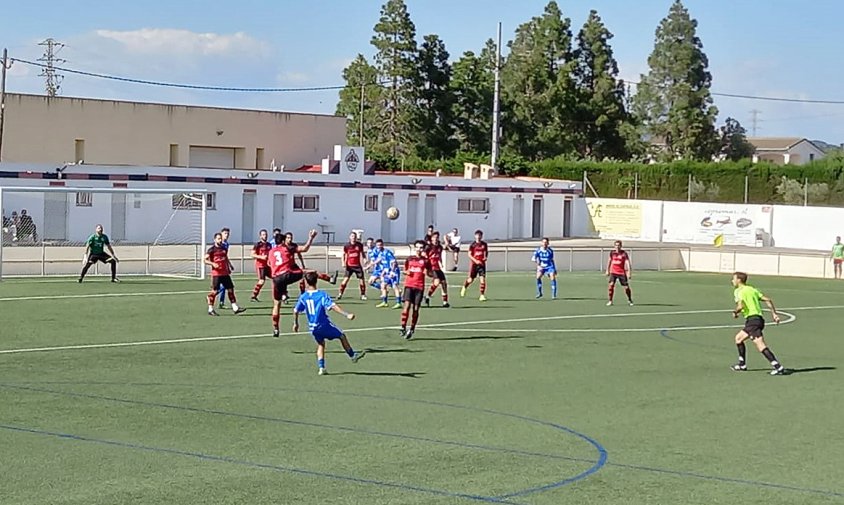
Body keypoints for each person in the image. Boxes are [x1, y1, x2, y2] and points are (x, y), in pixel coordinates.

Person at [293, 271, 366, 376]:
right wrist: (346, 314)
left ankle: (321, 368)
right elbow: (333, 306)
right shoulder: (321, 295)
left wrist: (296, 324)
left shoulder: (303, 296)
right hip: (323, 325)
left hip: (312, 327)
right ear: (316, 281)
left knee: (321, 344)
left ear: (306, 282)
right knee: (341, 335)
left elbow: (296, 311)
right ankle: (352, 356)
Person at [730, 272, 786, 376]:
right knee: (738, 339)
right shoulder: (752, 289)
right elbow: (768, 299)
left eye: (733, 279)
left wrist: (735, 312)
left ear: (739, 280)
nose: (732, 281)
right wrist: (774, 314)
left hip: (753, 321)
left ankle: (778, 367)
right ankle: (742, 364)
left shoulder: (739, 291)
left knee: (760, 345)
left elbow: (741, 305)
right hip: (756, 320)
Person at [268, 230, 317, 337]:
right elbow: (304, 249)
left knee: (276, 305)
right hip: (286, 274)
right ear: (282, 241)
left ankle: (276, 328)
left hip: (276, 278)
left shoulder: (271, 251)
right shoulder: (286, 248)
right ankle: (329, 278)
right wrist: (311, 238)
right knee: (308, 272)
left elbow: (269, 263)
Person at [204, 232, 245, 316]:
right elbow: (204, 260)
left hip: (225, 273)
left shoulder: (224, 248)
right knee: (215, 291)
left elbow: (225, 258)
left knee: (230, 289)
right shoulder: (211, 250)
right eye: (218, 238)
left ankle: (235, 308)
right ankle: (210, 309)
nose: (220, 240)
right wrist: (213, 264)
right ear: (215, 239)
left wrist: (229, 266)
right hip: (216, 274)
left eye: (220, 238)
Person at [400, 240, 433, 339]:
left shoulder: (426, 261)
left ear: (423, 249)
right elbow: (404, 271)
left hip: (419, 287)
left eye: (421, 248)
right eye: (417, 247)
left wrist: (427, 272)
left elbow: (431, 274)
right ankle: (403, 326)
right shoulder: (410, 259)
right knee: (406, 307)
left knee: (416, 309)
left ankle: (412, 328)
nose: (419, 249)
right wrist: (407, 272)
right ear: (415, 248)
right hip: (409, 285)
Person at [460, 229, 488, 301]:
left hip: (481, 265)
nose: (478, 237)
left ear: (481, 236)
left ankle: (482, 295)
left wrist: (485, 258)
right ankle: (464, 287)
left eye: (480, 235)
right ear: (475, 236)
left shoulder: (484, 244)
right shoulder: (472, 245)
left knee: (482, 280)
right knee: (470, 280)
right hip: (474, 265)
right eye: (477, 235)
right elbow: (469, 255)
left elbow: (485, 253)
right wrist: (476, 261)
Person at [338, 231, 367, 300]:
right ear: (350, 237)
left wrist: (364, 258)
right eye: (352, 236)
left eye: (354, 237)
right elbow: (344, 254)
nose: (353, 238)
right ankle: (340, 294)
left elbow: (362, 253)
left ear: (356, 238)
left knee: (362, 281)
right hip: (349, 266)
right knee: (345, 281)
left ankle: (363, 295)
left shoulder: (359, 245)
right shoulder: (347, 246)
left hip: (357, 266)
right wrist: (343, 262)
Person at [425, 230, 450, 307]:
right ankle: (428, 296)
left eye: (437, 237)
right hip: (431, 267)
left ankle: (445, 302)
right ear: (431, 238)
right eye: (434, 237)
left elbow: (439, 255)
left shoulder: (439, 247)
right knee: (437, 282)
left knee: (444, 283)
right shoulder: (428, 247)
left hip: (437, 268)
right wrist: (426, 267)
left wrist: (441, 262)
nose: (436, 239)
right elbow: (424, 256)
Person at [606, 240, 633, 306]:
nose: (617, 247)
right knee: (611, 286)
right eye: (616, 245)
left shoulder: (624, 253)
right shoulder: (612, 253)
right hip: (613, 272)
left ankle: (629, 299)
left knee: (626, 287)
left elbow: (627, 263)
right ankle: (610, 300)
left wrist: (629, 272)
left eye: (618, 245)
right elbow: (609, 261)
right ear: (614, 246)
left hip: (621, 273)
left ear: (621, 246)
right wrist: (607, 270)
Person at [250, 229, 272, 302]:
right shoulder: (258, 245)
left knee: (276, 278)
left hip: (268, 266)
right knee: (262, 281)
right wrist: (261, 257)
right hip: (260, 266)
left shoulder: (269, 245)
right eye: (263, 234)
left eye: (265, 234)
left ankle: (282, 295)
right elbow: (252, 255)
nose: (265, 236)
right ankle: (254, 296)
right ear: (260, 236)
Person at [217, 227, 232, 309]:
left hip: (224, 267)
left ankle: (221, 302)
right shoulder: (219, 244)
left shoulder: (226, 244)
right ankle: (212, 296)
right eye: (225, 233)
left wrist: (229, 265)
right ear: (221, 234)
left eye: (228, 234)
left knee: (224, 286)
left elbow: (225, 256)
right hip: (218, 268)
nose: (227, 235)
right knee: (221, 287)